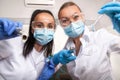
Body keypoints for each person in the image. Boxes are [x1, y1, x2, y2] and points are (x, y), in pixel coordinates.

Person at [0, 9, 76, 80]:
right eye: (39, 25)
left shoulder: (46, 57)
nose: (45, 30)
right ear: (32, 29)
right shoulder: (13, 44)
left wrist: (54, 62)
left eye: (50, 26)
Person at [57, 1, 120, 80]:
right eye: (65, 21)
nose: (72, 23)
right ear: (61, 25)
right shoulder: (66, 46)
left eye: (76, 17)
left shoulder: (101, 36)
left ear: (82, 17)